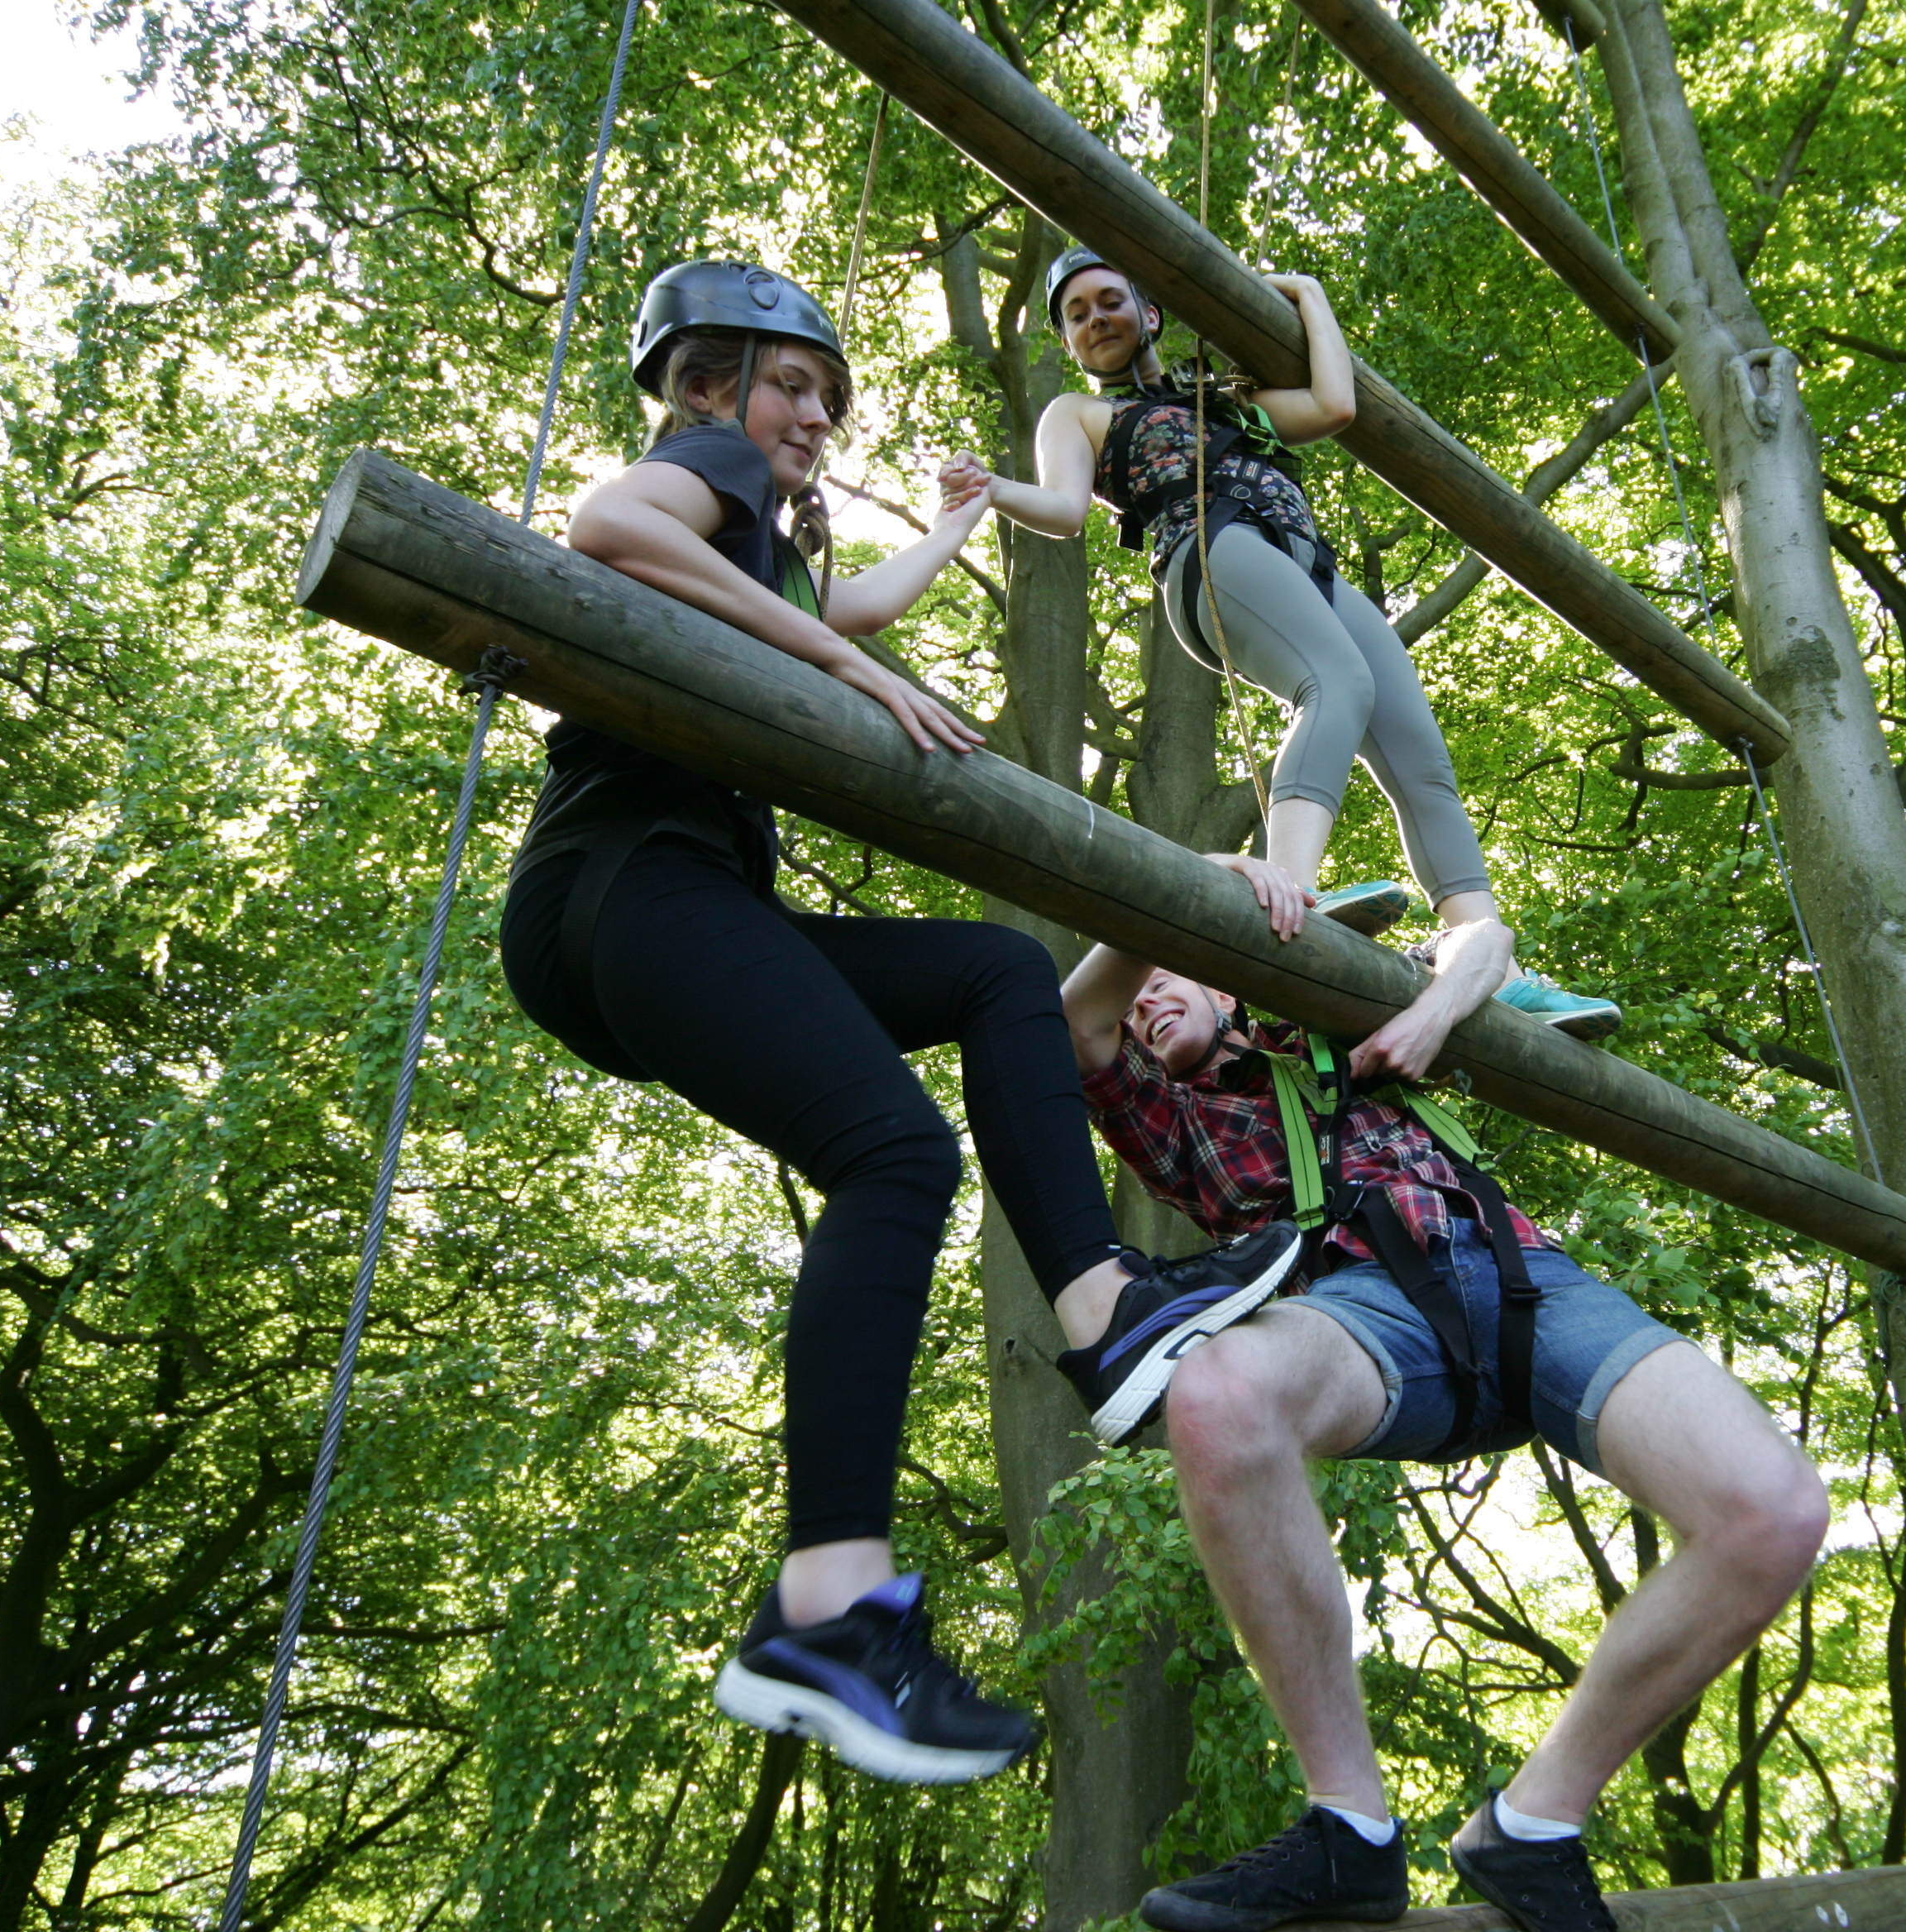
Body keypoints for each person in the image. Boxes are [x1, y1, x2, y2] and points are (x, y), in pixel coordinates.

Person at [499, 260, 1305, 1787]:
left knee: (994, 974)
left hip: (682, 899)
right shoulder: (704, 460)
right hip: (623, 881)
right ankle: (825, 1610)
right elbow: (605, 528)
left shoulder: (761, 536)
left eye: (826, 395)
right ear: (702, 381)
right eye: (792, 382)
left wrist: (956, 517)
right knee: (893, 1153)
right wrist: (842, 662)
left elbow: (847, 598)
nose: (813, 415)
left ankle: (1098, 1310)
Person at [1058, 858, 1831, 1932]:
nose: (1150, 1001)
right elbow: (1080, 1021)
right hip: (1352, 1317)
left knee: (1775, 1510)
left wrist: (1433, 1014)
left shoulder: (1339, 1004)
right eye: (1147, 997)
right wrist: (1186, 890)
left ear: (1230, 986)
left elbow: (1483, 945)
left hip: (1522, 1280)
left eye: (1175, 983)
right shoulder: (1170, 1118)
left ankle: (1534, 1824)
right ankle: (1350, 1829)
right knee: (1218, 1391)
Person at [942, 246, 1622, 1040]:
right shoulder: (1084, 414)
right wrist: (992, 490)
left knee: (1419, 754)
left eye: (1109, 300)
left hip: (1306, 564)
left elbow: (1335, 406)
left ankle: (1492, 966)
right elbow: (1062, 509)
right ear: (1067, 341)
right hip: (1208, 550)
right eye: (1077, 314)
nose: (1097, 319)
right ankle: (1288, 887)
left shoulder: (1226, 401)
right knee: (1336, 683)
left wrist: (1308, 293)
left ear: (1150, 312)